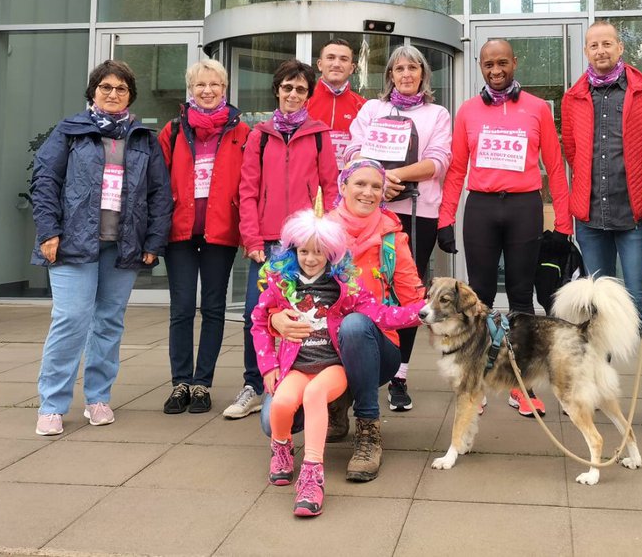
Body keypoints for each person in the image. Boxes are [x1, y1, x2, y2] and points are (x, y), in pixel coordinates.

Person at [30, 60, 173, 436]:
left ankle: (98, 398)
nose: (113, 94)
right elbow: (44, 180)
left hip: (122, 247)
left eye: (121, 89)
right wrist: (48, 231)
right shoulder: (70, 131)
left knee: (109, 323)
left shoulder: (143, 138)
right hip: (73, 243)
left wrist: (153, 242)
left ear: (130, 95)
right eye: (106, 87)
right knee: (71, 321)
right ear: (93, 91)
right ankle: (52, 405)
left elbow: (160, 195)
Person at [252, 209, 424, 517]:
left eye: (318, 252)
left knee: (314, 396)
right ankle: (281, 449)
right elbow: (257, 321)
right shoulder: (281, 284)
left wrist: (422, 312)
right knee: (281, 404)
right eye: (304, 251)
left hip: (332, 366)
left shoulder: (344, 287)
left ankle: (312, 474)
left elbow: (381, 315)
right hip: (296, 366)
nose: (310, 258)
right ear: (293, 250)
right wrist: (267, 366)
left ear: (331, 253)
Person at [438, 38, 572, 417]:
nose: (495, 71)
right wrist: (446, 218)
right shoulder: (467, 111)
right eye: (488, 65)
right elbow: (456, 169)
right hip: (480, 207)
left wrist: (563, 222)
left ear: (514, 62)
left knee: (520, 296)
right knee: (475, 298)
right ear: (480, 67)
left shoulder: (536, 109)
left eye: (502, 63)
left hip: (523, 207)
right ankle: (475, 381)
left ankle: (520, 383)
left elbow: (555, 166)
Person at [561, 21, 642, 430]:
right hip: (591, 218)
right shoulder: (573, 96)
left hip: (636, 216)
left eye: (606, 43)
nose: (600, 50)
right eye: (593, 45)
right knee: (594, 308)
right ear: (586, 51)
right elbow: (572, 151)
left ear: (620, 47)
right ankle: (594, 387)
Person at [228, 60, 339, 421]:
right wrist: (252, 238)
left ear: (309, 95)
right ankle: (253, 384)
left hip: (304, 242)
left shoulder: (319, 133)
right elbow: (247, 191)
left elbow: (332, 188)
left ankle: (298, 379)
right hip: (266, 241)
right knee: (255, 314)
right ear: (277, 90)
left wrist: (327, 237)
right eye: (287, 88)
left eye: (301, 89)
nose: (293, 94)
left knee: (305, 314)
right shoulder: (259, 135)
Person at [344, 44, 452, 411]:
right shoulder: (372, 109)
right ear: (389, 75)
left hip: (416, 214)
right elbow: (352, 151)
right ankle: (360, 365)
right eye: (399, 68)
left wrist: (390, 175)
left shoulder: (437, 113)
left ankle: (400, 376)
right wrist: (376, 179)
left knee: (407, 293)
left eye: (413, 68)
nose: (406, 74)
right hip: (370, 210)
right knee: (363, 287)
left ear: (424, 74)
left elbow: (438, 162)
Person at [158, 58, 249, 415]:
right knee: (181, 309)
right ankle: (180, 382)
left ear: (224, 89)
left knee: (212, 309)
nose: (208, 90)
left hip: (221, 231)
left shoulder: (243, 132)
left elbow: (249, 183)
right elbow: (158, 181)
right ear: (190, 90)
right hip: (178, 230)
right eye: (200, 85)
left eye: (214, 85)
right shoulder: (174, 130)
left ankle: (202, 384)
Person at [307, 37, 366, 171]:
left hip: (349, 183)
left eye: (343, 59)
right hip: (310, 182)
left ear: (351, 68)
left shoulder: (364, 107)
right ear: (320, 64)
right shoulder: (303, 101)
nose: (337, 64)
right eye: (331, 57)